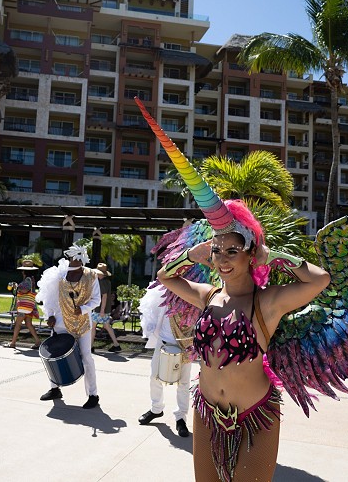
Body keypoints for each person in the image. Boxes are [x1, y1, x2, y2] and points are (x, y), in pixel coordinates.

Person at [158, 199, 329, 482]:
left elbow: (319, 280)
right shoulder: (207, 296)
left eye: (232, 251)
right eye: (217, 251)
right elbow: (165, 276)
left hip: (256, 417)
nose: (223, 259)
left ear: (250, 254)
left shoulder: (267, 301)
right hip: (206, 413)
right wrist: (190, 254)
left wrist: (272, 255)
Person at [36, 244, 101, 409]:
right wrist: (49, 315)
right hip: (60, 322)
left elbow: (97, 300)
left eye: (74, 268)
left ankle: (93, 395)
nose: (71, 271)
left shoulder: (91, 276)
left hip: (82, 324)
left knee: (86, 357)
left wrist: (83, 309)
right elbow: (50, 297)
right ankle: (54, 388)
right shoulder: (60, 275)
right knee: (53, 354)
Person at [138, 286, 194, 438]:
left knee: (183, 383)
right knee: (154, 376)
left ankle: (181, 417)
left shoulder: (195, 293)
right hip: (163, 341)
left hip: (186, 343)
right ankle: (156, 409)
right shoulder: (167, 290)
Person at [7, 258, 42, 349]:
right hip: (29, 307)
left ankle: (13, 343)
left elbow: (25, 290)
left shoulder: (28, 280)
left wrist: (17, 287)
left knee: (18, 324)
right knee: (28, 324)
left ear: (24, 271)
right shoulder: (32, 279)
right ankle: (38, 341)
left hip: (24, 307)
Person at [91, 262, 121, 353]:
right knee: (106, 326)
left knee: (93, 326)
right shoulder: (106, 281)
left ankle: (90, 346)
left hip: (100, 308)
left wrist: (102, 310)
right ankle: (116, 345)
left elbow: (104, 296)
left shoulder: (101, 282)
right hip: (104, 308)